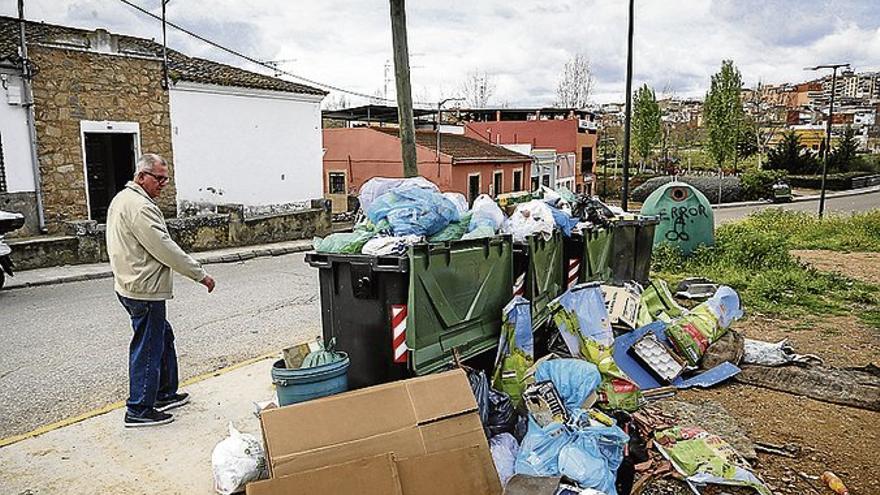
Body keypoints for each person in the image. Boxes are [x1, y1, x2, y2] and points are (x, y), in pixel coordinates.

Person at [106, 153, 216, 427]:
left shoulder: (123, 199)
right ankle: (140, 408)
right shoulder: (140, 207)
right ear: (141, 176)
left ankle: (164, 393)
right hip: (143, 288)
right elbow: (164, 248)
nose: (163, 184)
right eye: (158, 178)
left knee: (162, 336)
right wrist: (199, 274)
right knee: (149, 347)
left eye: (166, 178)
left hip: (130, 283)